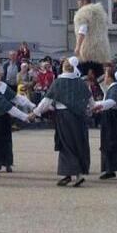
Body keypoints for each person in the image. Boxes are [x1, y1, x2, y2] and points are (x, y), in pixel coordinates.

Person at [33, 57, 94, 187]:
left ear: (63, 68)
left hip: (64, 117)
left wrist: (36, 112)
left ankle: (70, 174)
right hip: (80, 117)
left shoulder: (58, 82)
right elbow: (90, 99)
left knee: (66, 144)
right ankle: (77, 175)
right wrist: (91, 109)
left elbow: (46, 100)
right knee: (79, 143)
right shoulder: (81, 82)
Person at [73, 0, 111, 81]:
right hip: (100, 50)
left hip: (88, 49)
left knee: (82, 72)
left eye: (79, 1)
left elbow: (83, 29)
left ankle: (84, 93)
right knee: (99, 74)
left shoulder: (84, 13)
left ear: (84, 1)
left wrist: (78, 46)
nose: (78, 3)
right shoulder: (100, 13)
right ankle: (106, 92)